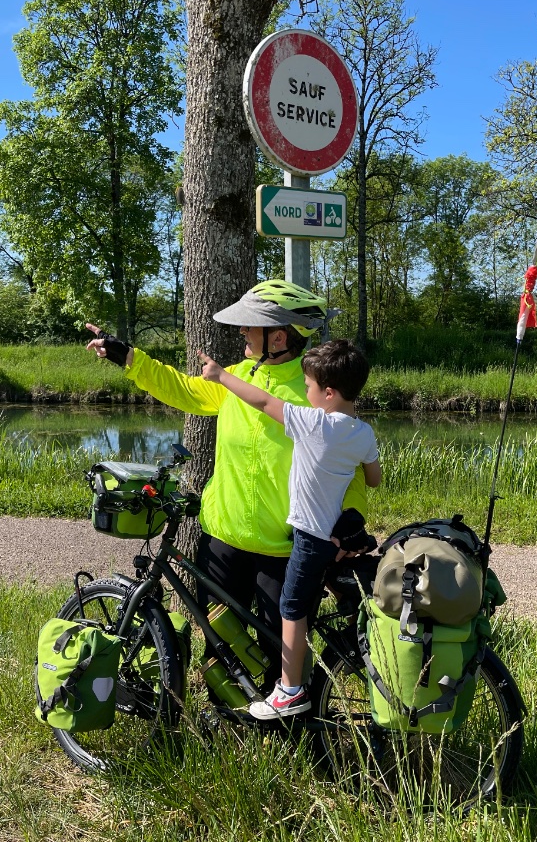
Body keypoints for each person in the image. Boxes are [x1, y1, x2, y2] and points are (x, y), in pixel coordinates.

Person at [84, 280, 374, 694]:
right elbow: (181, 389)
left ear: (278, 336)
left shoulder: (313, 395)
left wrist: (351, 516)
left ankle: (291, 737)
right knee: (220, 640)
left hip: (284, 545)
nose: (241, 333)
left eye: (248, 326)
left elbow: (351, 466)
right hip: (223, 537)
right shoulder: (235, 380)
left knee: (283, 654)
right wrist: (126, 356)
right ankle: (232, 720)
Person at [198, 339, 381, 719]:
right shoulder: (363, 433)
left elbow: (263, 402)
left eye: (309, 387)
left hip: (309, 539)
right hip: (334, 534)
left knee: (291, 608)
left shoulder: (313, 423)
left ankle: (290, 690)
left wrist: (220, 376)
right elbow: (374, 478)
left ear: (327, 394)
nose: (305, 393)